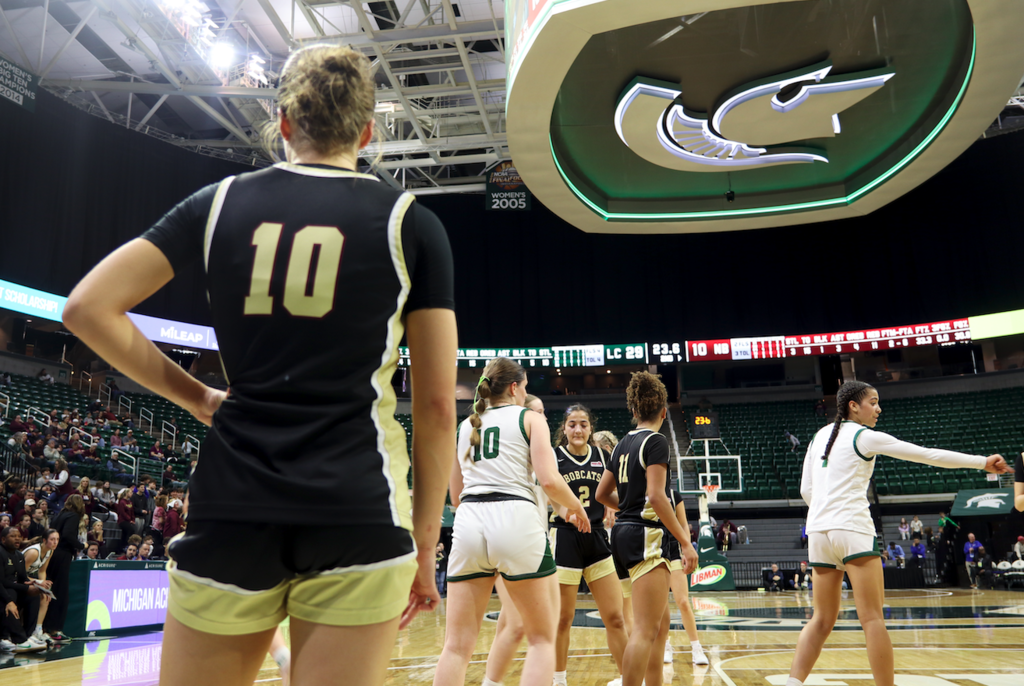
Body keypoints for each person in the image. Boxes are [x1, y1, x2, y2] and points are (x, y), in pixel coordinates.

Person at [63, 43, 457, 686]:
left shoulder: (218, 204)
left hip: (233, 502)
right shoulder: (411, 222)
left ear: (281, 123)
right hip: (358, 507)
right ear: (367, 131)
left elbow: (86, 308)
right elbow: (439, 408)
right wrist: (424, 541)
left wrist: (198, 398)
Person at [785, 381, 1009, 686]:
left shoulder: (817, 437)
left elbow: (805, 490)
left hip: (819, 532)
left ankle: (792, 682)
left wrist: (825, 512)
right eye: (873, 402)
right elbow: (926, 454)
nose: (878, 409)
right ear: (854, 405)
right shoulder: (864, 437)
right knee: (872, 619)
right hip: (852, 527)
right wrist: (982, 462)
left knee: (821, 620)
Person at [433, 358, 589, 686]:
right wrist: (576, 505)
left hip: (469, 523)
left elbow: (455, 495)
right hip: (515, 517)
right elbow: (549, 481)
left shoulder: (467, 426)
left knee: (456, 648)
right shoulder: (530, 418)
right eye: (527, 387)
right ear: (515, 387)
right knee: (541, 640)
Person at [596, 371, 698, 686]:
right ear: (663, 412)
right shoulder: (656, 441)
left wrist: (626, 505)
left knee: (659, 625)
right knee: (643, 630)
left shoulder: (621, 444)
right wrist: (685, 541)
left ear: (634, 410)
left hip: (623, 537)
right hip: (645, 537)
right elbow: (656, 496)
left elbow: (602, 495)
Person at [548, 404, 628, 686]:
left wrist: (612, 505)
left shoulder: (603, 455)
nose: (578, 429)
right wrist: (565, 513)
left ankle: (627, 678)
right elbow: (550, 495)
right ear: (564, 428)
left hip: (596, 538)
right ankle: (559, 680)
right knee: (562, 619)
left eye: (583, 424)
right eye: (572, 424)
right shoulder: (554, 456)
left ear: (591, 428)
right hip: (565, 538)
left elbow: (614, 491)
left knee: (616, 618)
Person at [665, 489, 708, 665]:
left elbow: (683, 524)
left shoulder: (674, 495)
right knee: (660, 605)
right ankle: (665, 645)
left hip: (673, 550)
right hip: (652, 551)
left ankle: (696, 648)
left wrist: (686, 547)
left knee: (683, 601)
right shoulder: (642, 490)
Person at [0, 527, 47, 651]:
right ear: (3, 539)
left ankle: (28, 635)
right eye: (13, 536)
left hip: (12, 588)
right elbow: (2, 581)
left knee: (33, 595)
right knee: (10, 595)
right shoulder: (0, 553)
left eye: (19, 536)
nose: (17, 538)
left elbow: (22, 578)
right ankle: (15, 639)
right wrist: (10, 600)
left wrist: (32, 583)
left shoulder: (19, 555)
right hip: (3, 590)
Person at [23, 529, 57, 643]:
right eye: (52, 539)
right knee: (36, 595)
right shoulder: (34, 552)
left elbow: (42, 571)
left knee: (46, 597)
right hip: (17, 579)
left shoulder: (49, 551)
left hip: (29, 579)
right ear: (44, 540)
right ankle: (30, 631)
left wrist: (44, 587)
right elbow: (21, 574)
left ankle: (38, 630)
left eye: (57, 539)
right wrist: (39, 582)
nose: (55, 542)